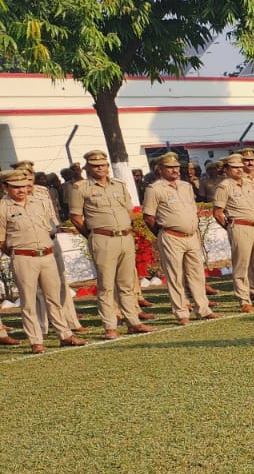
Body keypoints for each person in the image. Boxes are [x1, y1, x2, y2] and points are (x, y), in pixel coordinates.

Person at [68, 149, 154, 339]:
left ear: (108, 166)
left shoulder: (119, 185)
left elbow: (129, 210)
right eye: (95, 166)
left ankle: (133, 322)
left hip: (125, 237)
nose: (100, 168)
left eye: (103, 165)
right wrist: (93, 235)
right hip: (102, 238)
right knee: (106, 285)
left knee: (126, 284)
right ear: (88, 168)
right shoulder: (80, 188)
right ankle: (110, 326)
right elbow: (76, 217)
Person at [2, 168, 86, 351]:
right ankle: (36, 341)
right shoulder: (2, 208)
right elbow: (1, 241)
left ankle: (65, 335)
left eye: (24, 185)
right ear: (5, 187)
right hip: (23, 257)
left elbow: (49, 227)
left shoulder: (37, 202)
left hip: (47, 255)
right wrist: (19, 253)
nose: (21, 189)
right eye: (16, 186)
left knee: (54, 298)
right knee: (29, 301)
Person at [142, 151, 217, 324]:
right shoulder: (154, 189)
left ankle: (203, 309)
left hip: (191, 236)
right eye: (170, 167)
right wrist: (163, 233)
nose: (175, 170)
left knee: (197, 274)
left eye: (176, 167)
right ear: (160, 169)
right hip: (171, 236)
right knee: (175, 276)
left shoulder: (186, 186)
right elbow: (148, 217)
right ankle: (182, 312)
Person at [210, 154, 254, 312]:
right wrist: (231, 228)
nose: (239, 170)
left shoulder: (247, 183)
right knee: (241, 266)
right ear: (227, 169)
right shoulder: (224, 186)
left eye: (240, 167)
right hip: (239, 227)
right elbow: (218, 213)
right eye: (234, 168)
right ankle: (244, 300)